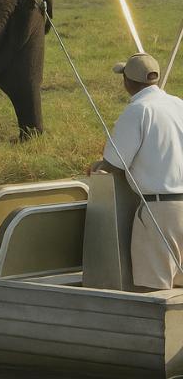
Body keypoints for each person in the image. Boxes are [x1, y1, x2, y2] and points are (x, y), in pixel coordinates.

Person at [89, 52, 183, 290]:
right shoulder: (179, 104)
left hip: (160, 211)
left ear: (127, 82)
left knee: (153, 292)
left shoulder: (138, 110)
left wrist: (96, 167)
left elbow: (114, 163)